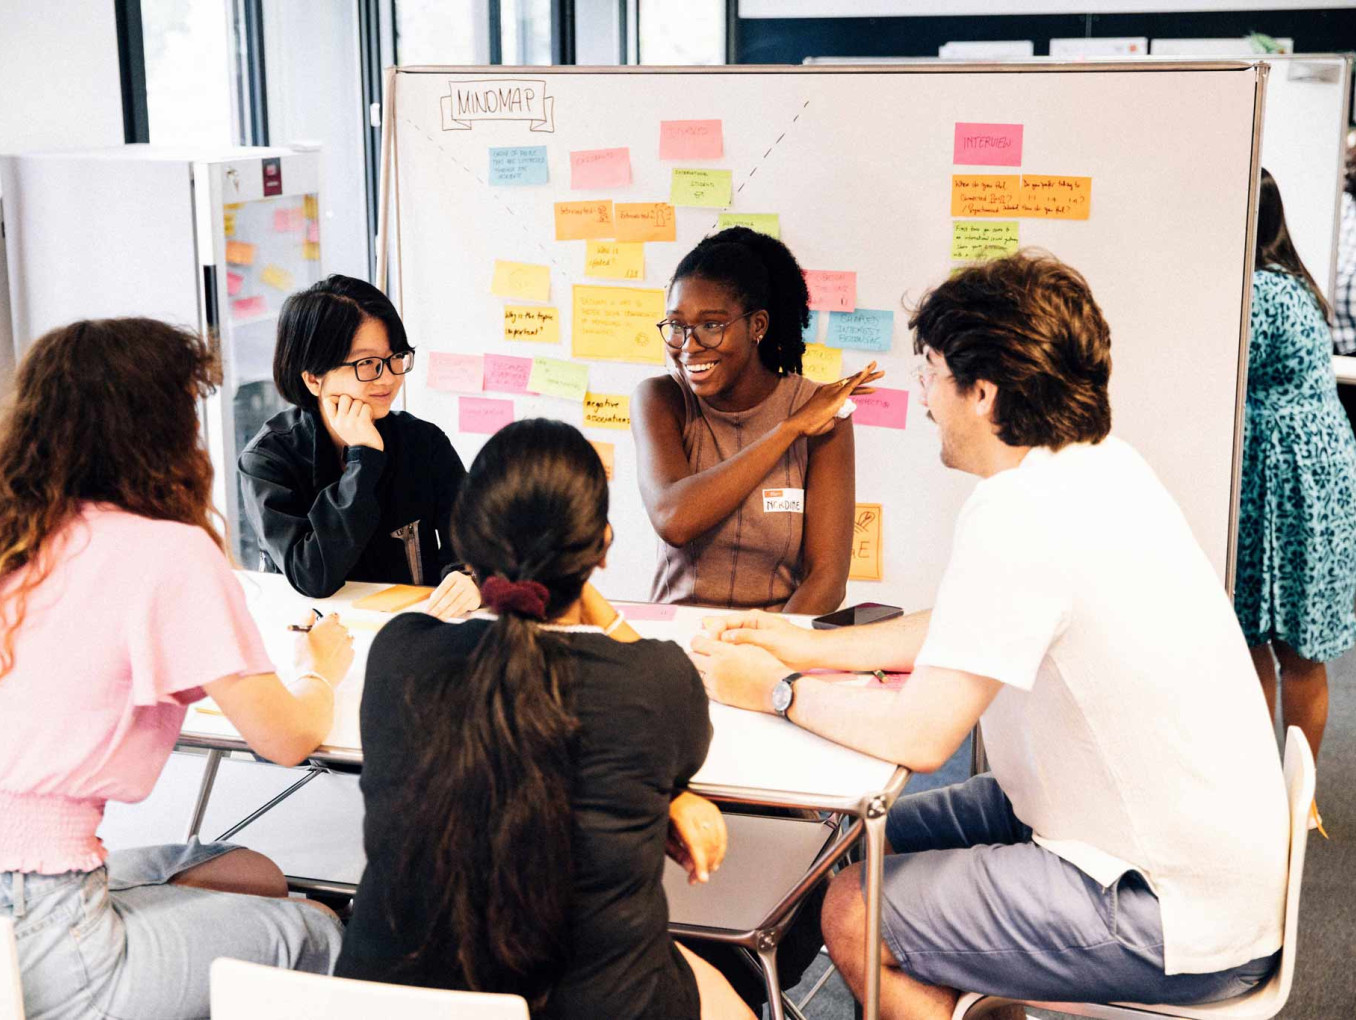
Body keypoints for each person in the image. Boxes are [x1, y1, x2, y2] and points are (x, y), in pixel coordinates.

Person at [690, 253, 1289, 1020]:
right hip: (1172, 856)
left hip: (1173, 914)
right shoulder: (1097, 467)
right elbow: (967, 626)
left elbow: (922, 735)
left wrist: (774, 690)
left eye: (931, 370)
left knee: (855, 908)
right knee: (853, 846)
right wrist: (802, 644)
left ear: (983, 391)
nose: (923, 394)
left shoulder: (1020, 510)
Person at [335, 418, 753, 1020]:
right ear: (603, 547)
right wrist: (671, 797)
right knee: (719, 991)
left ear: (465, 541)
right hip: (599, 1006)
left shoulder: (401, 653)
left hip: (401, 1005)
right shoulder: (654, 681)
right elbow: (660, 740)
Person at [0, 318, 351, 1019]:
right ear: (159, 427)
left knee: (253, 875)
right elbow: (285, 740)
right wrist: (320, 673)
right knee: (319, 931)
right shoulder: (167, 553)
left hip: (34, 898)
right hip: (49, 930)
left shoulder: (19, 538)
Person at [631, 226, 881, 614]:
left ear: (758, 326)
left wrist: (767, 652)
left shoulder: (824, 413)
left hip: (776, 643)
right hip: (676, 642)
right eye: (677, 325)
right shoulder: (661, 399)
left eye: (712, 325)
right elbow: (674, 519)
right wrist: (790, 429)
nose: (688, 345)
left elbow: (827, 578)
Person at [239, 274, 480, 618]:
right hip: (311, 641)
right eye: (366, 364)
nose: (387, 378)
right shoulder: (268, 460)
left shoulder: (423, 442)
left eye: (395, 357)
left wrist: (470, 577)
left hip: (408, 632)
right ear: (313, 378)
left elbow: (475, 540)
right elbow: (313, 575)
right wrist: (362, 461)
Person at [1235, 169, 1356, 832]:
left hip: (1282, 479)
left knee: (1276, 644)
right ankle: (1282, 796)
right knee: (1276, 642)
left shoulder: (1257, 293)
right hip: (1298, 474)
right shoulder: (1290, 281)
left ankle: (1287, 800)